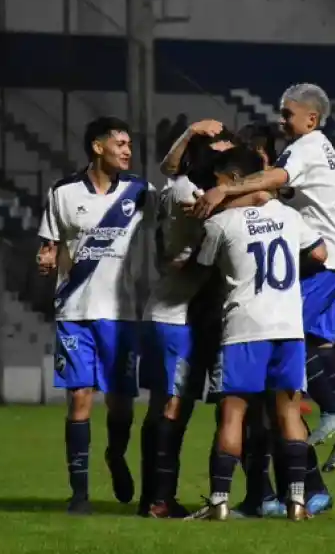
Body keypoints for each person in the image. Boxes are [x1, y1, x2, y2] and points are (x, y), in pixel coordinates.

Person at [192, 83, 335, 473]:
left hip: (327, 256)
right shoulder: (317, 148)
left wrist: (226, 189)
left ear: (311, 118)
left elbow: (274, 181)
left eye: (287, 114)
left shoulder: (306, 148)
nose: (281, 119)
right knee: (317, 342)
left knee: (290, 335)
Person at [138, 120, 274, 518]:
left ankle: (160, 497)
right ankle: (158, 499)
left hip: (200, 314)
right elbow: (258, 198)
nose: (227, 162)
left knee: (199, 407)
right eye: (221, 150)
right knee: (172, 408)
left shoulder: (190, 185)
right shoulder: (190, 191)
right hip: (175, 314)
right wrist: (259, 187)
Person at [187, 146, 327, 521]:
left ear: (234, 181)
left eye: (217, 183)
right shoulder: (287, 215)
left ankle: (218, 503)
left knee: (233, 415)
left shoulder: (220, 225)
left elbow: (202, 273)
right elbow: (320, 254)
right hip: (288, 327)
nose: (213, 191)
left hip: (244, 327)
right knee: (290, 414)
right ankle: (296, 503)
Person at [36, 117, 154, 515]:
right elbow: (49, 241)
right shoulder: (64, 192)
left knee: (121, 403)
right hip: (74, 311)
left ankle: (115, 455)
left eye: (129, 144)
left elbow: (171, 218)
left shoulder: (140, 192)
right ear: (97, 147)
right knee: (79, 398)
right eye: (119, 143)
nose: (127, 150)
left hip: (120, 315)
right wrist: (47, 254)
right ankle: (79, 494)